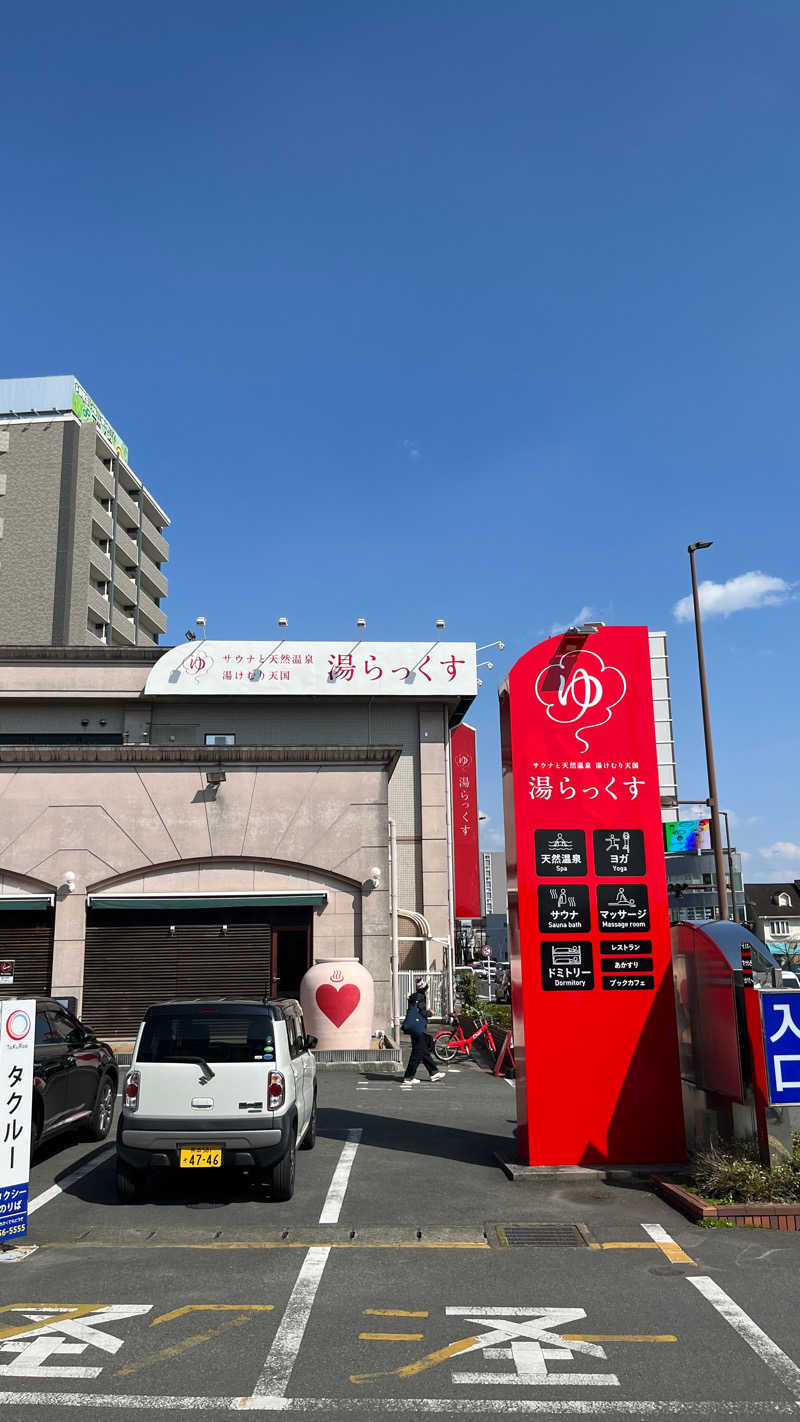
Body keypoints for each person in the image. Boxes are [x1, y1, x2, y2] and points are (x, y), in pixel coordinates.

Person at [401, 978, 445, 1088]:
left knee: (423, 1051)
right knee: (417, 1053)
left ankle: (434, 1073)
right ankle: (408, 1077)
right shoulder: (420, 998)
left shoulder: (414, 996)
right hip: (418, 1028)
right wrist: (431, 1012)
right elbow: (422, 1012)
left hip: (415, 1028)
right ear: (425, 989)